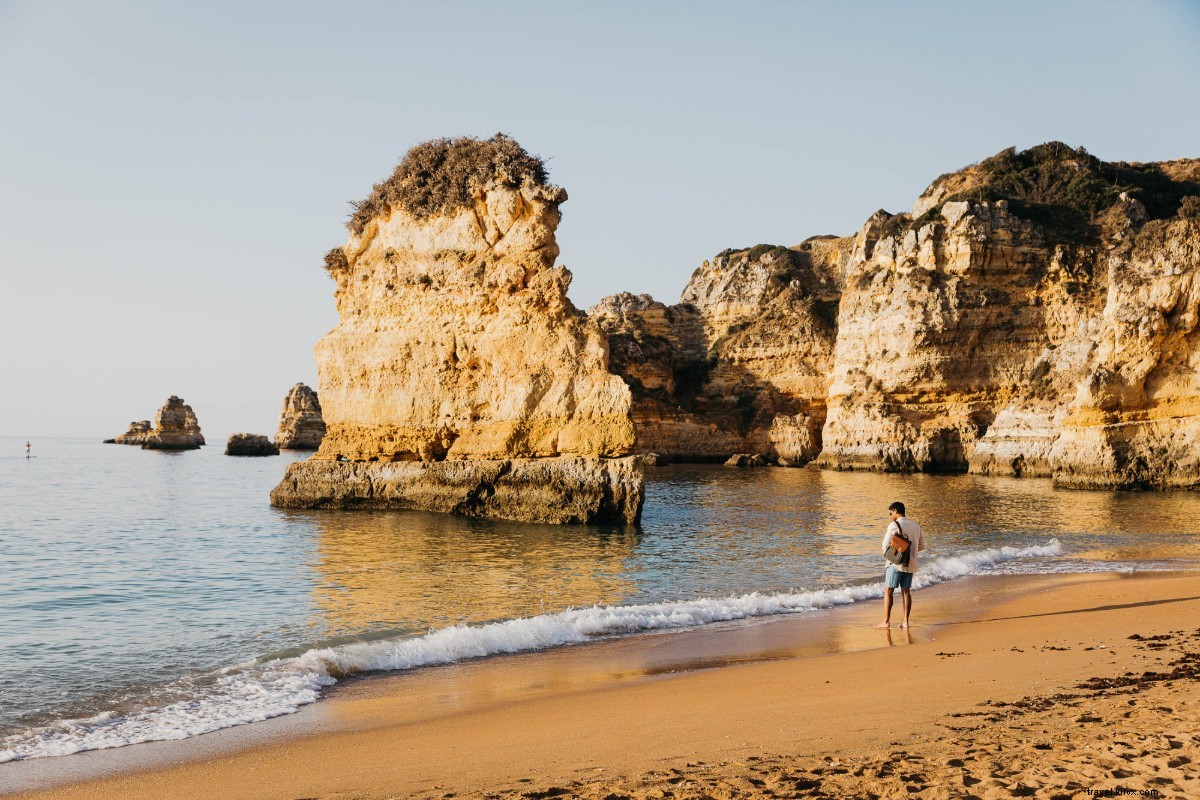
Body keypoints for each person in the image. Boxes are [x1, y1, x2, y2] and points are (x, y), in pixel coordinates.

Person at [875, 501, 925, 629]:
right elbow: (921, 546)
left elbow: (885, 545)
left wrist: (894, 553)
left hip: (895, 564)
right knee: (906, 592)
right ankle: (905, 622)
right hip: (910, 564)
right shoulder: (916, 526)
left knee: (888, 590)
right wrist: (909, 553)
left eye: (891, 512)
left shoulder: (894, 524)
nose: (891, 515)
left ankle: (886, 622)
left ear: (896, 511)